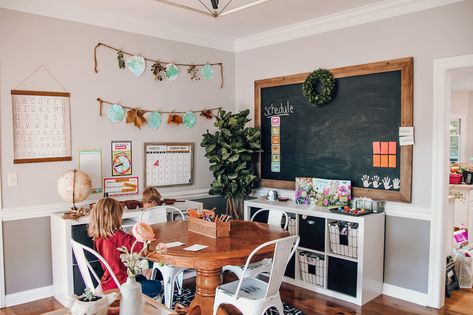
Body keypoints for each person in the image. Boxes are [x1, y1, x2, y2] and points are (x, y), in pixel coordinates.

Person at [87, 197, 161, 298]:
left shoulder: (98, 237)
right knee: (157, 285)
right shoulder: (118, 236)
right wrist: (145, 234)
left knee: (141, 278)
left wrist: (129, 236)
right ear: (115, 217)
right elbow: (141, 248)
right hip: (122, 286)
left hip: (108, 283)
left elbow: (124, 244)